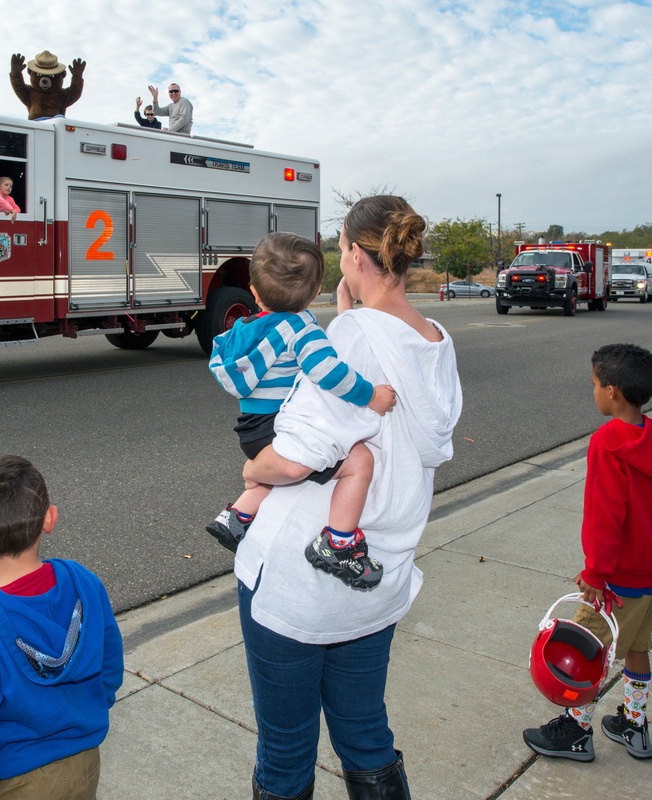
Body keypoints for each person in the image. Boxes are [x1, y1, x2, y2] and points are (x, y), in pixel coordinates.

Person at [234, 196, 462, 799]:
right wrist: (350, 312)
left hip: (300, 584)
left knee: (285, 750)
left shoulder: (352, 338)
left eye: (341, 247)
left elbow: (297, 457)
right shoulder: (436, 341)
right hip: (374, 575)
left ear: (355, 254)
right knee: (365, 734)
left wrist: (253, 464)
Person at [207, 231, 397, 590]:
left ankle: (238, 516)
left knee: (274, 475)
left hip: (252, 430)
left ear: (255, 292)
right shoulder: (299, 328)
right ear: (312, 294)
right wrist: (371, 395)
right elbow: (329, 372)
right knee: (360, 463)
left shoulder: (242, 330)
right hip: (285, 427)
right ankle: (338, 544)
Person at [523, 343, 652, 763]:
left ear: (612, 392)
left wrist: (596, 572)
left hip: (616, 579)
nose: (592, 391)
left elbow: (605, 513)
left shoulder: (608, 441)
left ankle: (576, 729)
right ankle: (634, 722)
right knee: (636, 648)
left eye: (594, 385)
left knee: (586, 650)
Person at [0, 455, 124, 800]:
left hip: (15, 780)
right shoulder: (85, 583)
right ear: (50, 518)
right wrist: (95, 704)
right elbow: (110, 662)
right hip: (85, 761)